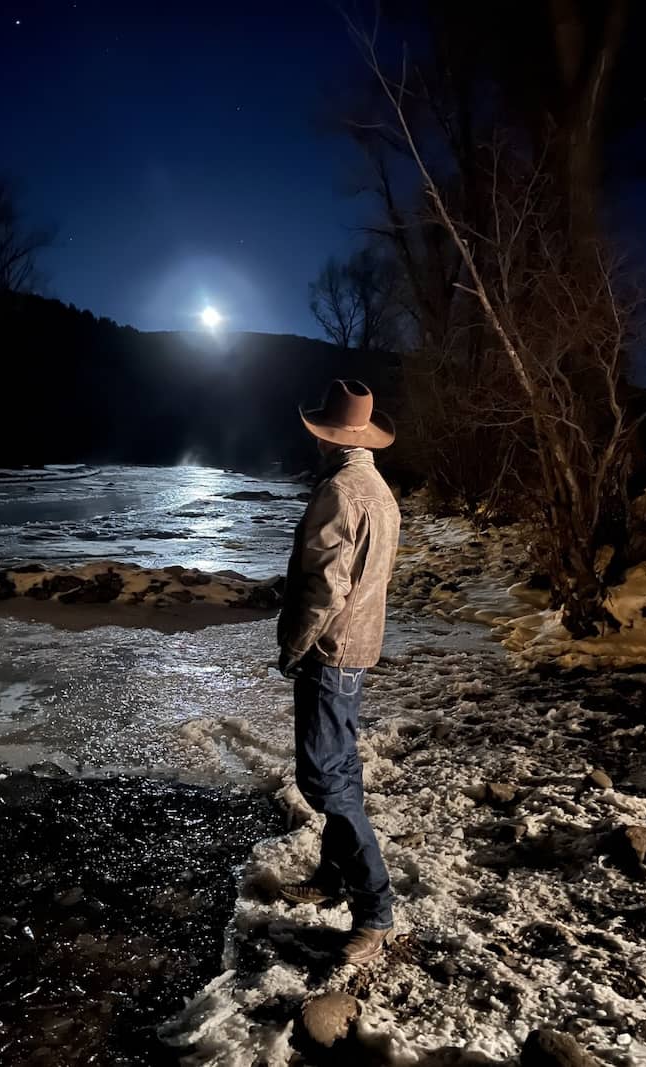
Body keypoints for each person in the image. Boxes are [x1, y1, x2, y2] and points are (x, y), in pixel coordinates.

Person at [276, 379, 401, 965]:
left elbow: (325, 589)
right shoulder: (378, 488)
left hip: (331, 650)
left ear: (328, 438)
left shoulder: (340, 492)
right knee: (340, 769)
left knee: (326, 781)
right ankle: (331, 878)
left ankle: (375, 912)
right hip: (359, 647)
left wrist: (295, 647)